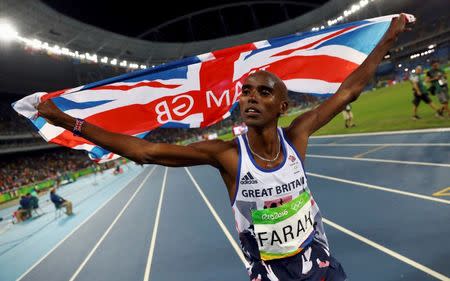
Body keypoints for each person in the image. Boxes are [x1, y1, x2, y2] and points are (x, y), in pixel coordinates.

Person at [37, 15, 409, 281]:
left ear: (282, 106)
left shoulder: (297, 135)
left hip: (322, 267)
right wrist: (70, 122)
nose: (251, 98)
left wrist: (387, 39)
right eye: (245, 91)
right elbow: (145, 152)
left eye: (264, 92)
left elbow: (348, 90)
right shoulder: (226, 155)